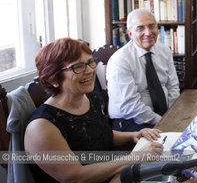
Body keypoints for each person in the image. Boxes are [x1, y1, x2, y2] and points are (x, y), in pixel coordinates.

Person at [24, 38, 164, 183]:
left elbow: (100, 134)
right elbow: (74, 177)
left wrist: (134, 135)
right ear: (52, 79)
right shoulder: (41, 127)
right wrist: (133, 158)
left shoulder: (89, 98)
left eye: (90, 62)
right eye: (78, 66)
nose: (90, 70)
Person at [107, 9, 180, 132]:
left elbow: (173, 86)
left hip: (163, 115)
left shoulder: (164, 51)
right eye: (140, 28)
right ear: (130, 34)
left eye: (152, 26)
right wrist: (162, 122)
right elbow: (130, 106)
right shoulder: (120, 61)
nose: (148, 33)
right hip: (129, 120)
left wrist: (170, 116)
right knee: (165, 144)